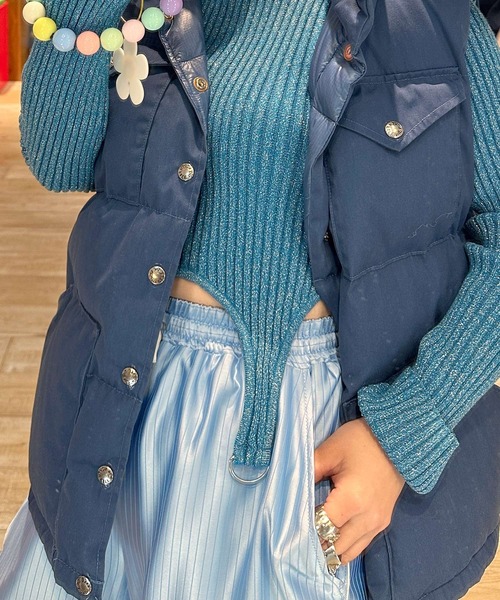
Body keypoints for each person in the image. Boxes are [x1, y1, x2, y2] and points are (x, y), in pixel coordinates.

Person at [1, 1, 499, 599]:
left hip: (315, 446)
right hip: (126, 421)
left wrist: (405, 434)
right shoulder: (149, 12)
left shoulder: (437, 20)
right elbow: (60, 160)